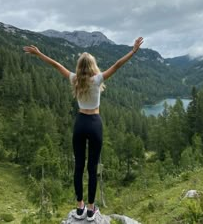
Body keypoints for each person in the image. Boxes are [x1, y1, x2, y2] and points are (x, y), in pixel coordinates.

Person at [23, 36, 143, 221]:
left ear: (79, 66)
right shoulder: (98, 79)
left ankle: (79, 207)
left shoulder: (74, 79)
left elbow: (56, 65)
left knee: (78, 167)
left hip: (80, 123)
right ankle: (90, 208)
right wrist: (133, 51)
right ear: (93, 65)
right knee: (92, 168)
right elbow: (118, 65)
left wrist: (39, 54)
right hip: (95, 123)